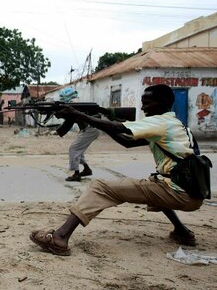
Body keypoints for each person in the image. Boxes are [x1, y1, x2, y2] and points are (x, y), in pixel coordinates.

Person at [30, 84, 203, 256]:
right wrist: (98, 119)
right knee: (154, 183)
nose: (142, 107)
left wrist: (79, 115)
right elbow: (127, 142)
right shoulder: (177, 125)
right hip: (193, 194)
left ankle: (60, 237)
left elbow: (119, 128)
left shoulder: (160, 122)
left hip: (177, 192)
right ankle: (182, 232)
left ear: (164, 102)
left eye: (147, 103)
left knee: (100, 188)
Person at [59, 87, 100, 182]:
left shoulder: (73, 104)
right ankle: (86, 169)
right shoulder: (75, 103)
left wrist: (59, 113)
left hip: (90, 129)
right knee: (78, 150)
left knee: (73, 149)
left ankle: (76, 174)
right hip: (90, 129)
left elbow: (69, 117)